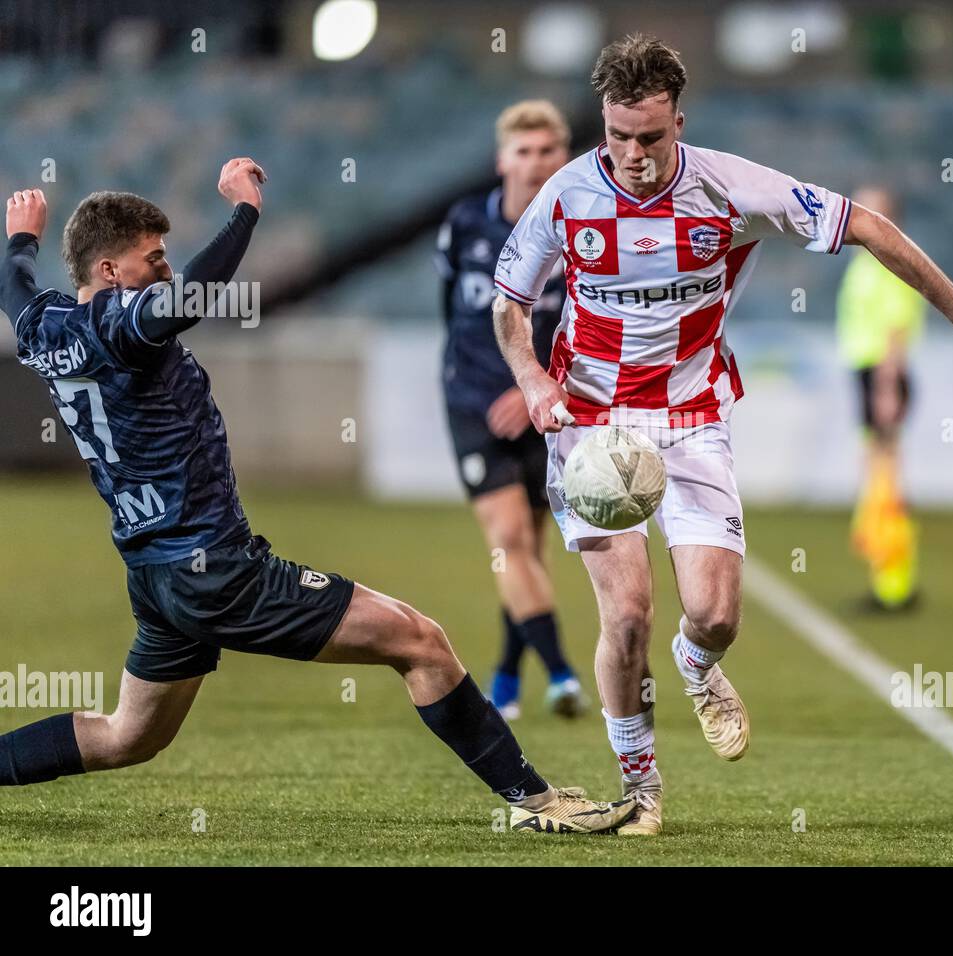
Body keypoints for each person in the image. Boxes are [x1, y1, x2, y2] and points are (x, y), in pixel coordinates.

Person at [0, 163, 632, 835]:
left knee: (130, 736)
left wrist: (19, 240)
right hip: (214, 570)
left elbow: (14, 286)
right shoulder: (124, 325)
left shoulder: (45, 327)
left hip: (156, 576)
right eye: (152, 260)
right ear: (109, 270)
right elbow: (192, 299)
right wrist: (244, 213)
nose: (166, 270)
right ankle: (538, 802)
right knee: (420, 642)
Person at [492, 35, 953, 835]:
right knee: (626, 615)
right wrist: (533, 381)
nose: (632, 155)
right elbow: (509, 305)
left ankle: (697, 667)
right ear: (603, 123)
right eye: (618, 136)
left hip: (693, 417)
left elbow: (866, 225)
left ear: (679, 122)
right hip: (592, 425)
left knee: (716, 613)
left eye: (651, 138)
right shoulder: (564, 196)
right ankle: (643, 789)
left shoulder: (731, 188)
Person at [435, 101, 587, 720]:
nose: (535, 163)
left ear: (565, 156)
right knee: (508, 538)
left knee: (529, 548)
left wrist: (537, 388)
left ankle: (503, 676)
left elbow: (588, 325)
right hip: (474, 402)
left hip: (545, 404)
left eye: (548, 150)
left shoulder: (578, 231)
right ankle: (560, 673)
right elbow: (455, 312)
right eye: (523, 151)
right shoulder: (465, 224)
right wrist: (489, 379)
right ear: (502, 159)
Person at [836, 187, 925, 610]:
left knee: (885, 478)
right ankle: (886, 576)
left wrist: (888, 388)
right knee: (877, 475)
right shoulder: (867, 260)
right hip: (871, 375)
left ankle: (894, 586)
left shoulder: (891, 261)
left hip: (882, 376)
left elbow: (896, 329)